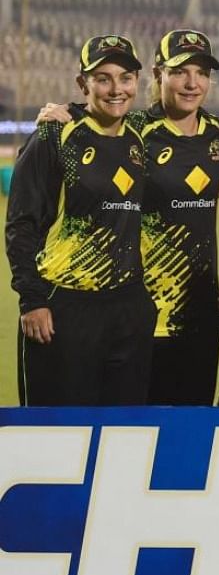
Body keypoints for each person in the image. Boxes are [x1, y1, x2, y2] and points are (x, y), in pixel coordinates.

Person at [32, 29, 219, 405]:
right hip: (140, 317)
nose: (192, 83)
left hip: (200, 318)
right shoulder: (136, 131)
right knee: (131, 432)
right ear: (158, 75)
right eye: (180, 71)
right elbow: (96, 119)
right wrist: (64, 112)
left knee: (187, 437)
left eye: (202, 72)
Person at [6, 34, 156, 405]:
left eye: (125, 77)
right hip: (66, 307)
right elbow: (22, 223)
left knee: (124, 432)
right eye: (102, 78)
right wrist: (32, 300)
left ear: (137, 81)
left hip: (127, 308)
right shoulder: (56, 136)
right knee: (58, 432)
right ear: (83, 83)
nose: (115, 88)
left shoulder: (141, 136)